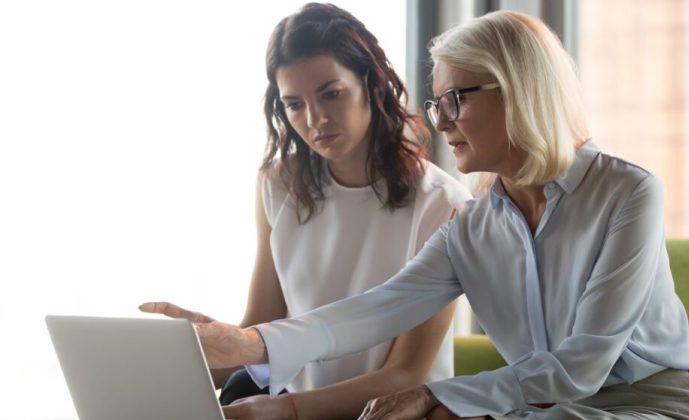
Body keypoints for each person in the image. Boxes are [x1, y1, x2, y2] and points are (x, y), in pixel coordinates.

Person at [142, 10, 689, 420]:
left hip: (654, 405)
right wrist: (246, 344)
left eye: (455, 99)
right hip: (538, 411)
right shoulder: (472, 227)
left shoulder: (628, 193)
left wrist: (444, 396)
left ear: (518, 90)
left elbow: (583, 364)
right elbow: (371, 312)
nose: (440, 121)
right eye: (435, 102)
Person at [141, 3, 471, 419]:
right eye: (294, 104)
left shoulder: (443, 203)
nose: (316, 119)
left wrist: (288, 411)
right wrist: (179, 364)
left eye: (331, 94)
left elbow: (407, 374)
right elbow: (261, 326)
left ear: (371, 83)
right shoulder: (279, 185)